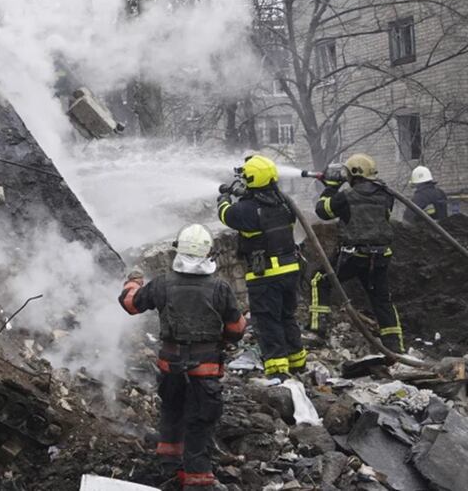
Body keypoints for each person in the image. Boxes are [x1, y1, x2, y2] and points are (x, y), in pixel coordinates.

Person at [119, 224, 246, 489]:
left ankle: (169, 467)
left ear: (179, 250)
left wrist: (133, 282)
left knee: (171, 411)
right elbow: (236, 329)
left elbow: (130, 304)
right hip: (205, 370)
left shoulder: (162, 284)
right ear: (208, 253)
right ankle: (197, 480)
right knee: (200, 422)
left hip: (171, 366)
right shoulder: (220, 288)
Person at [216, 155, 306, 381]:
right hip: (290, 270)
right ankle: (297, 362)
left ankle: (277, 371)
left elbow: (226, 215)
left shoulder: (248, 210)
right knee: (286, 316)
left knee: (267, 321)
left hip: (266, 274)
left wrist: (224, 197)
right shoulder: (284, 203)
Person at [311, 153, 404, 352]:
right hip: (380, 256)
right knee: (381, 299)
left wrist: (331, 187)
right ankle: (395, 346)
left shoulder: (347, 196)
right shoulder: (387, 195)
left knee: (319, 280)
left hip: (354, 255)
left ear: (354, 173)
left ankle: (318, 330)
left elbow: (322, 211)